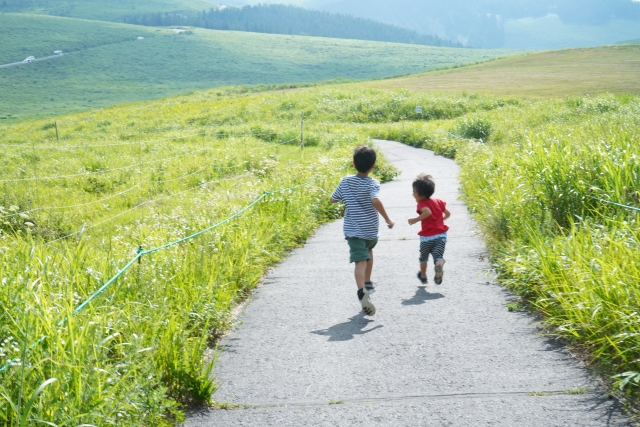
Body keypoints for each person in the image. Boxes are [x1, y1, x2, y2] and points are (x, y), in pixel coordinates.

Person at [330, 146, 394, 316]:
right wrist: (387, 219)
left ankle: (361, 291)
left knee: (360, 261)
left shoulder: (345, 181)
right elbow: (375, 200)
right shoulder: (373, 183)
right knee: (369, 252)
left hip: (353, 230)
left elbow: (333, 199)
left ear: (353, 163)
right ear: (373, 166)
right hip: (371, 229)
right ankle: (367, 282)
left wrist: (343, 198)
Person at [408, 174, 450, 285]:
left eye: (414, 192)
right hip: (441, 235)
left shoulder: (421, 204)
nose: (413, 195)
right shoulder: (439, 201)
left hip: (426, 238)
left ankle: (423, 276)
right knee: (438, 256)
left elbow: (427, 212)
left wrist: (415, 220)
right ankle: (439, 266)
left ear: (421, 194)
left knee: (423, 258)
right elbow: (448, 213)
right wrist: (441, 220)